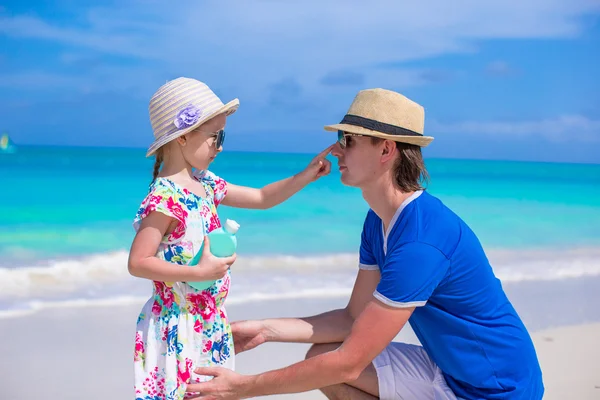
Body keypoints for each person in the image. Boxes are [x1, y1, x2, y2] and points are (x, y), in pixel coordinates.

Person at [185, 88, 545, 400]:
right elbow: (352, 318)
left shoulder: (422, 240)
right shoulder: (378, 221)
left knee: (335, 365)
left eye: (348, 141)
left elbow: (350, 361)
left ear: (386, 149)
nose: (336, 151)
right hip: (450, 371)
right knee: (319, 357)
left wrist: (241, 387)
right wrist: (266, 330)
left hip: (499, 389)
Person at [127, 77, 333, 400]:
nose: (220, 146)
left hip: (209, 323)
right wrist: (199, 273)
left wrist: (305, 175)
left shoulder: (205, 183)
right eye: (215, 136)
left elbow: (262, 197)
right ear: (182, 137)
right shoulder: (164, 199)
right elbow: (138, 262)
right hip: (178, 328)